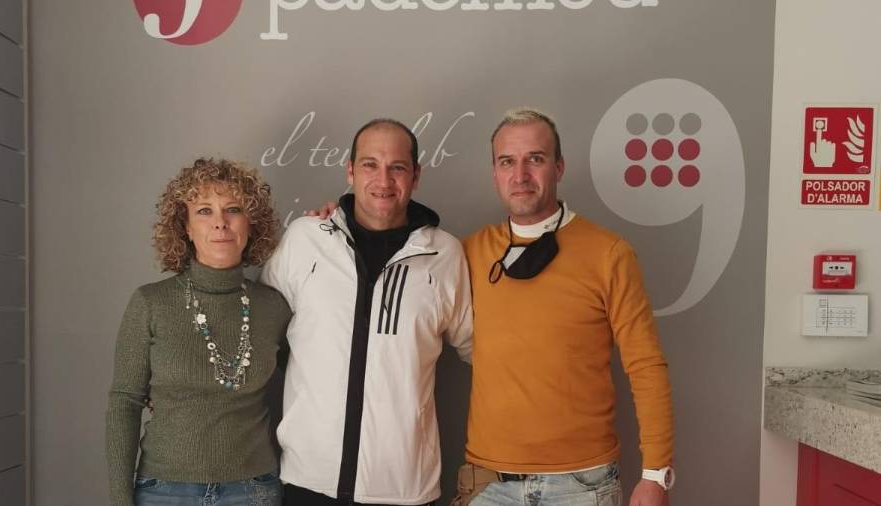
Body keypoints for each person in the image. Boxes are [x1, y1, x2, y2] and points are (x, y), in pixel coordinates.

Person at [453, 109, 674, 506]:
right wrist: (336, 221)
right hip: (489, 485)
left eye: (534, 159)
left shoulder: (609, 254)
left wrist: (656, 474)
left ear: (558, 167)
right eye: (507, 161)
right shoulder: (466, 253)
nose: (520, 175)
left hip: (582, 485)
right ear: (495, 173)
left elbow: (645, 364)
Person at [259, 118, 473, 506]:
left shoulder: (445, 254)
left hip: (405, 489)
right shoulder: (305, 239)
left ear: (416, 175)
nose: (383, 180)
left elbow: (479, 349)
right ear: (350, 170)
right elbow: (258, 333)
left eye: (397, 167)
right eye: (370, 164)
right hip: (309, 483)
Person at [106, 158, 292, 506]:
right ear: (186, 228)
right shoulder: (151, 302)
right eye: (204, 210)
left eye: (233, 209)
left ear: (251, 223)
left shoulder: (274, 307)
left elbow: (312, 383)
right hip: (164, 490)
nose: (220, 222)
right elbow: (124, 402)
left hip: (253, 490)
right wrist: (120, 498)